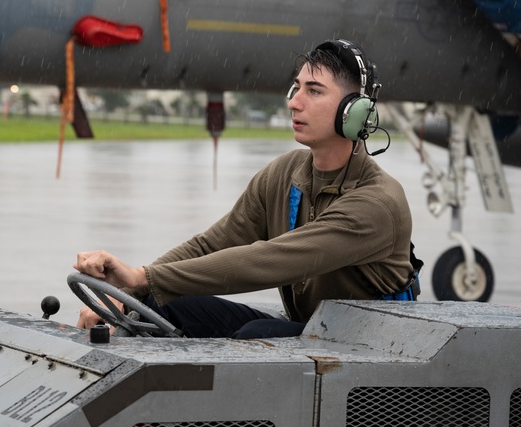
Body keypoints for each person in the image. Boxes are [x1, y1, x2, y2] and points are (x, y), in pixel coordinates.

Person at [74, 39, 415, 339]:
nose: (295, 102)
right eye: (296, 88)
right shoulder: (284, 173)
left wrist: (144, 277)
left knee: (258, 335)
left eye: (314, 91)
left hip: (370, 350)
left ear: (355, 112)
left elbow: (268, 261)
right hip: (312, 333)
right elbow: (211, 244)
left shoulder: (378, 202)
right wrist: (133, 290)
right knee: (164, 306)